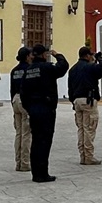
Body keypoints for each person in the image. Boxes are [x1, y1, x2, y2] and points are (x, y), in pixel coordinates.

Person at [20, 44, 70, 182]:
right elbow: (63, 67)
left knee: (36, 141)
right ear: (44, 55)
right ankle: (42, 173)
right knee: (45, 141)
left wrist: (29, 108)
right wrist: (58, 55)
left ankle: (36, 173)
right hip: (46, 108)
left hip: (33, 109)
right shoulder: (47, 68)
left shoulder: (28, 70)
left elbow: (23, 92)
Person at [68, 46, 102, 164]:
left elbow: (70, 88)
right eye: (91, 55)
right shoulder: (90, 67)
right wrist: (100, 58)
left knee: (81, 129)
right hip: (88, 100)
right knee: (89, 129)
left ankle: (83, 156)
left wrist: (73, 102)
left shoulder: (73, 69)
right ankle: (89, 156)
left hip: (77, 101)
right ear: (87, 56)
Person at [10, 47, 32, 171]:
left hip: (15, 99)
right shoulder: (28, 70)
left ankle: (18, 162)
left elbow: (11, 88)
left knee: (18, 133)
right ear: (27, 56)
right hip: (24, 100)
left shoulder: (14, 70)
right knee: (26, 134)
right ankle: (25, 163)